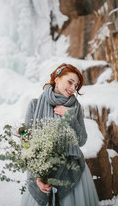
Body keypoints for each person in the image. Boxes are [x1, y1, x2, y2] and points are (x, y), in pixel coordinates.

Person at [20, 63, 99, 206]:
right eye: (70, 82)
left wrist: (70, 117)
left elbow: (82, 141)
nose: (72, 89)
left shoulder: (74, 107)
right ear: (57, 79)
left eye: (76, 86)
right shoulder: (34, 105)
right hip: (42, 173)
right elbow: (27, 144)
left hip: (71, 171)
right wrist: (37, 176)